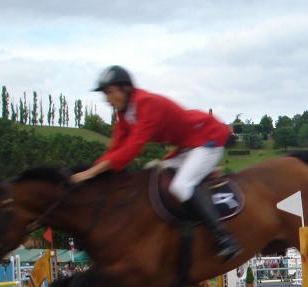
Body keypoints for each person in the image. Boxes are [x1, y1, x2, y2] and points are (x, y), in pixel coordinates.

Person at [70, 66, 240, 262]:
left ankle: (224, 239)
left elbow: (130, 149)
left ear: (125, 89)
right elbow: (115, 148)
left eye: (109, 92)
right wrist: (92, 171)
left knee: (181, 186)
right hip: (187, 146)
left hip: (208, 138)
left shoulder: (145, 103)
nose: (106, 99)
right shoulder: (124, 114)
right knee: (155, 172)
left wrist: (90, 174)